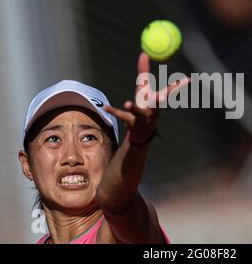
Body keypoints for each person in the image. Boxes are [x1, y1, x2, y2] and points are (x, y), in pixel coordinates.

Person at [18, 52, 189, 244]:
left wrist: (137, 139)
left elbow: (117, 201)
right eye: (53, 139)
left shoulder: (121, 233)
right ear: (27, 164)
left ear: (113, 158)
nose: (72, 157)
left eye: (89, 137)